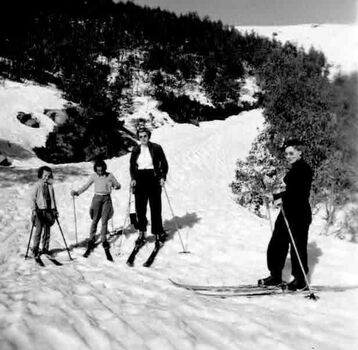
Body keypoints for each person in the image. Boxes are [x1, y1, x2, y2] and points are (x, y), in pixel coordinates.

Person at [258, 139, 313, 291]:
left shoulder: (304, 169)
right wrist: (275, 195)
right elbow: (289, 191)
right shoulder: (294, 169)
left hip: (299, 213)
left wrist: (278, 197)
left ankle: (300, 281)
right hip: (287, 212)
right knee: (277, 243)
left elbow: (298, 193)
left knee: (297, 247)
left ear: (299, 152)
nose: (288, 156)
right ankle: (275, 276)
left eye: (291, 153)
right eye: (286, 154)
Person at [71, 159, 121, 261]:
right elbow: (86, 186)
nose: (100, 172)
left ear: (104, 168)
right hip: (97, 199)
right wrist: (77, 192)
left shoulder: (109, 175)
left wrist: (115, 186)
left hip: (107, 199)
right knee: (95, 220)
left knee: (104, 221)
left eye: (101, 170)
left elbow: (118, 185)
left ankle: (103, 239)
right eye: (98, 170)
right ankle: (91, 239)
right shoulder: (94, 176)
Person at [129, 127, 168, 249]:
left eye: (145, 136)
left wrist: (162, 176)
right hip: (140, 178)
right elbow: (132, 166)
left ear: (149, 136)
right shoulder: (136, 150)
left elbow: (164, 163)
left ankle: (157, 232)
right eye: (140, 137)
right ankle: (141, 233)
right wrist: (133, 178)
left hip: (153, 177)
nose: (143, 139)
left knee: (155, 206)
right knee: (140, 207)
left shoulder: (156, 147)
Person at [30, 166, 58, 261]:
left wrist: (55, 210)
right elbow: (33, 199)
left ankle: (45, 248)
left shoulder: (50, 186)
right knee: (38, 231)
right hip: (39, 211)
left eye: (48, 176)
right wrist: (34, 210)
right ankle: (35, 248)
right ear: (41, 175)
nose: (47, 178)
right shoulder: (37, 185)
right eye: (45, 175)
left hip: (49, 211)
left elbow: (53, 199)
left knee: (47, 231)